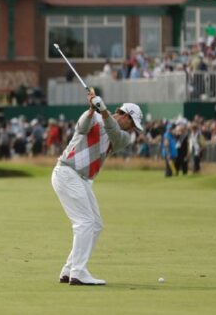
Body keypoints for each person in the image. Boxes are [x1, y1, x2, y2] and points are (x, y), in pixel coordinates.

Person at [51, 92, 142, 286]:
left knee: (96, 224)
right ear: (125, 116)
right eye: (132, 124)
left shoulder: (124, 137)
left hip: (82, 179)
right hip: (67, 172)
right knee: (84, 222)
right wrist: (92, 109)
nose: (133, 129)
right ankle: (78, 272)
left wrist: (104, 111)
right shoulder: (95, 119)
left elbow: (114, 132)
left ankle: (69, 269)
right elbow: (81, 127)